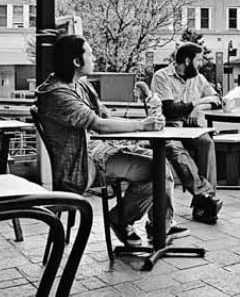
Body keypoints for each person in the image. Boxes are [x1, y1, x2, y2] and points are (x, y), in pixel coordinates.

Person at [35, 35, 189, 247]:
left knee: (160, 162)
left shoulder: (81, 85)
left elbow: (105, 117)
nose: (94, 57)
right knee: (157, 169)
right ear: (76, 61)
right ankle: (123, 220)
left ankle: (160, 227)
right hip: (82, 164)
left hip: (98, 151)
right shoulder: (58, 94)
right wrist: (144, 125)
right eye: (89, 53)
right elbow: (99, 124)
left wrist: (145, 123)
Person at [151, 42, 223, 224]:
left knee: (207, 143)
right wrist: (195, 104)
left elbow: (217, 100)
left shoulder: (198, 78)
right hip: (168, 127)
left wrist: (196, 107)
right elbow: (169, 109)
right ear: (188, 60)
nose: (202, 64)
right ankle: (206, 197)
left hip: (191, 127)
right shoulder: (162, 77)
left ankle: (203, 205)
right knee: (175, 149)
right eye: (199, 60)